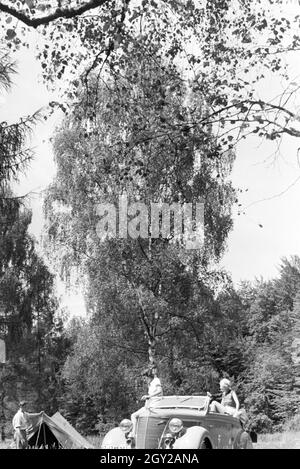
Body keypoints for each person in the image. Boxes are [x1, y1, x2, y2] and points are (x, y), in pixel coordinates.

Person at [130, 367, 163, 435]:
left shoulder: (156, 380)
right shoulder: (150, 384)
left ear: (149, 376)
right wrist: (146, 398)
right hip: (148, 406)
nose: (144, 380)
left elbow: (159, 391)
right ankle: (133, 434)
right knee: (133, 415)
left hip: (155, 406)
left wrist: (148, 396)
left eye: (145, 378)